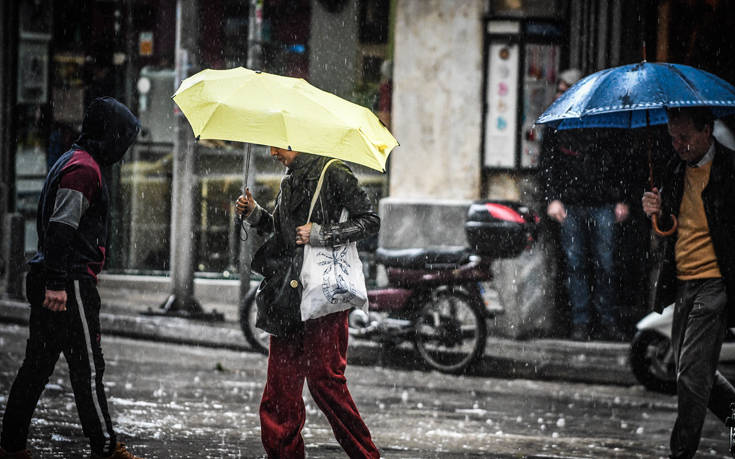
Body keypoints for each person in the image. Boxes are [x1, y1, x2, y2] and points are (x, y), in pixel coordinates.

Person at [0, 97, 142, 459]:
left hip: (58, 277)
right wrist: (59, 284)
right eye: (122, 141)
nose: (122, 152)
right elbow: (62, 229)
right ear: (110, 136)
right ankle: (107, 449)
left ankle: (12, 444)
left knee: (37, 366)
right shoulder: (83, 169)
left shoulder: (73, 160)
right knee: (88, 369)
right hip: (70, 283)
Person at [236, 147, 380, 458]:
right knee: (280, 390)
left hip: (321, 296)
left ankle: (366, 454)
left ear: (296, 141)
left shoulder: (333, 171)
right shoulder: (291, 176)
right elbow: (285, 231)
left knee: (324, 383)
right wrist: (255, 214)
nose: (272, 151)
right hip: (287, 295)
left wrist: (323, 234)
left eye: (278, 144)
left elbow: (370, 220)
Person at [642, 107, 735, 459]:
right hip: (684, 282)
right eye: (672, 137)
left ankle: (680, 453)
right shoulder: (674, 168)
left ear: (707, 130)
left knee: (690, 379)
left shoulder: (729, 168)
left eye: (685, 137)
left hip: (715, 282)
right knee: (692, 369)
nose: (678, 144)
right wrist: (656, 210)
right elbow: (670, 227)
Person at [538, 68, 630, 341]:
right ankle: (580, 321)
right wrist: (553, 198)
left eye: (567, 89)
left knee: (606, 264)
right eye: (560, 89)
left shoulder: (602, 120)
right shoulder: (556, 123)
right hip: (571, 204)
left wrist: (621, 199)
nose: (562, 95)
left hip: (602, 203)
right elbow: (547, 165)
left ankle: (607, 320)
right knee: (575, 264)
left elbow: (620, 161)